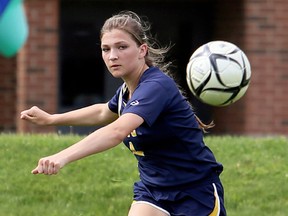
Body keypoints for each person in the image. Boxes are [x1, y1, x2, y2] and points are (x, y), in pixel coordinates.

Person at [20, 10, 226, 216]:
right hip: (153, 191)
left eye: (122, 47)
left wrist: (62, 157)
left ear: (142, 50)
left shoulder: (156, 86)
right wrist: (52, 119)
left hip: (195, 193)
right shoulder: (126, 91)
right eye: (106, 49)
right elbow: (103, 112)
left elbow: (117, 131)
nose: (113, 56)